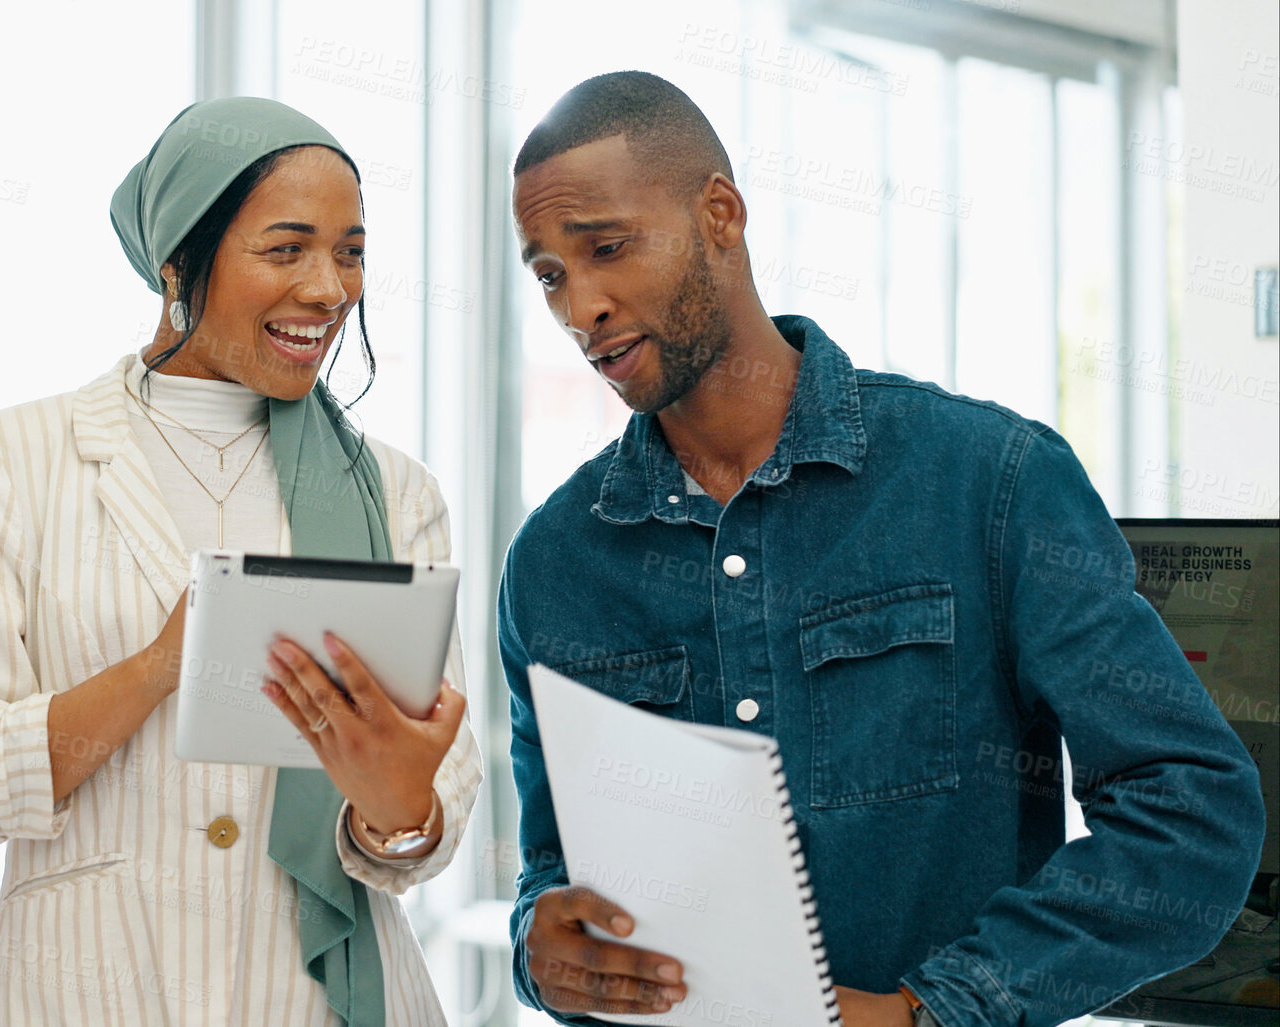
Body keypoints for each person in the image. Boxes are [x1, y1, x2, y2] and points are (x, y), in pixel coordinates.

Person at [498, 71, 1264, 1027]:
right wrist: (543, 948)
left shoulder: (988, 482)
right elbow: (551, 872)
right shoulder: (552, 566)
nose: (580, 308)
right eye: (548, 275)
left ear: (720, 215)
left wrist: (933, 1009)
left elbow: (1191, 812)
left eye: (605, 248)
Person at [0, 96, 481, 1026]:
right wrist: (159, 668)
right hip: (79, 990)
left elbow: (429, 816)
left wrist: (397, 808)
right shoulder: (8, 460)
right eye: (286, 250)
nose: (329, 288)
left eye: (350, 251)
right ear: (178, 265)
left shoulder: (394, 493)